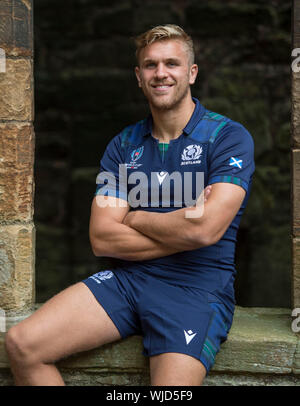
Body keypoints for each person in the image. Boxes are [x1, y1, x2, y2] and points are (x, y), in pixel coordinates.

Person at [5, 24, 254, 386]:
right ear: (139, 77)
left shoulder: (227, 137)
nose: (161, 73)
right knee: (22, 344)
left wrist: (135, 216)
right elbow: (103, 238)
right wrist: (183, 227)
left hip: (196, 289)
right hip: (127, 281)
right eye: (150, 65)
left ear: (192, 72)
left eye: (172, 63)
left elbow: (206, 229)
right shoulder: (123, 145)